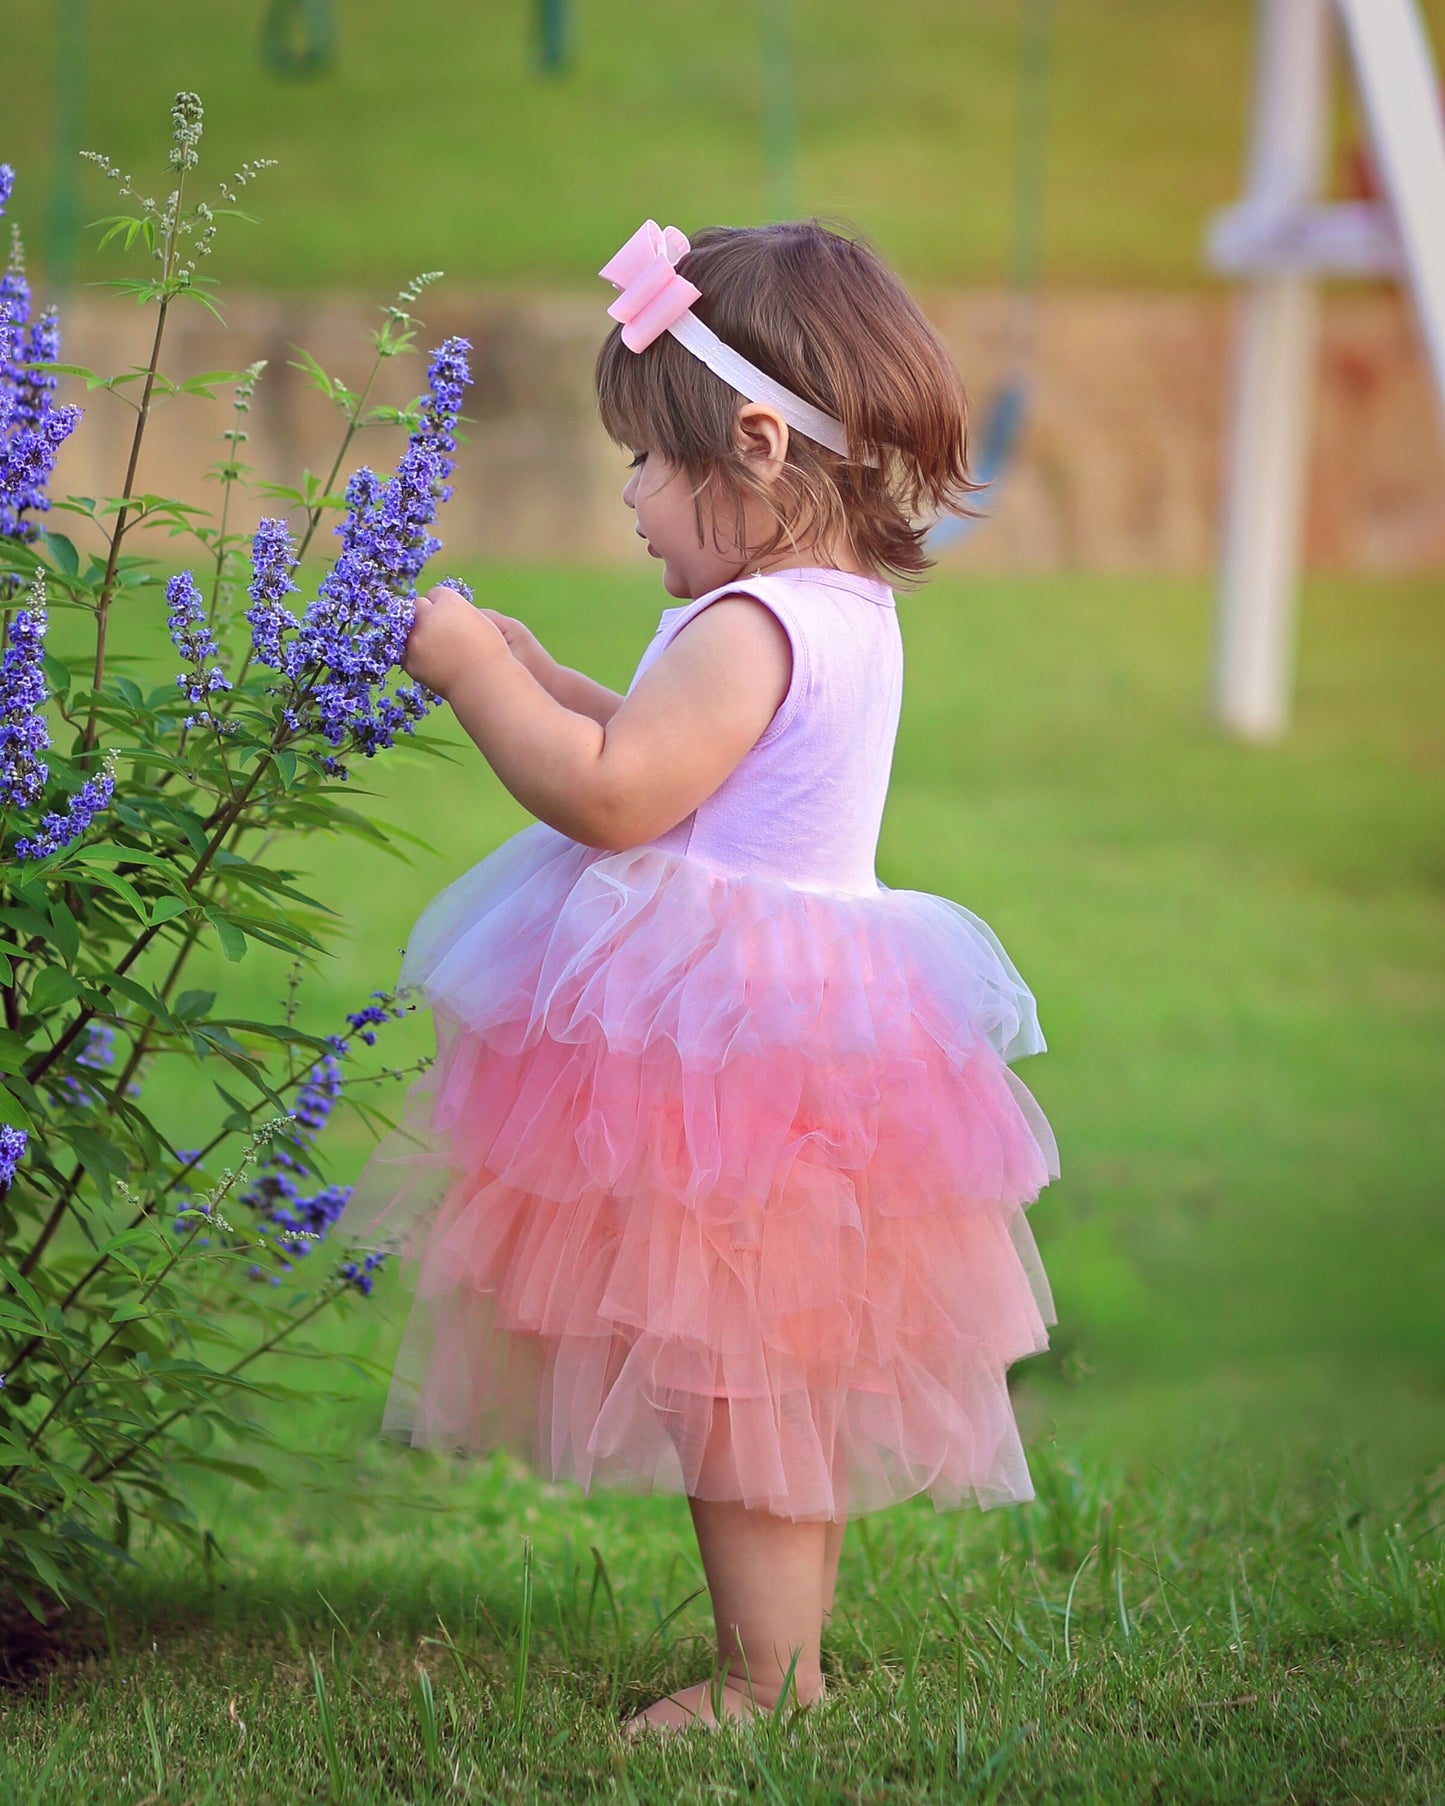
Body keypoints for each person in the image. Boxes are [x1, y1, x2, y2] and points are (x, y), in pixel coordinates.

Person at [338, 218, 1058, 1736]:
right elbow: (687, 769)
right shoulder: (833, 610)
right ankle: (776, 1659)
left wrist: (470, 674)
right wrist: (548, 676)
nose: (626, 494)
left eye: (649, 466)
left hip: (727, 1045)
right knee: (768, 1363)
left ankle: (761, 1680)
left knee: (739, 1372)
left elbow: (615, 797)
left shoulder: (745, 623)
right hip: (805, 1025)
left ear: (750, 443)